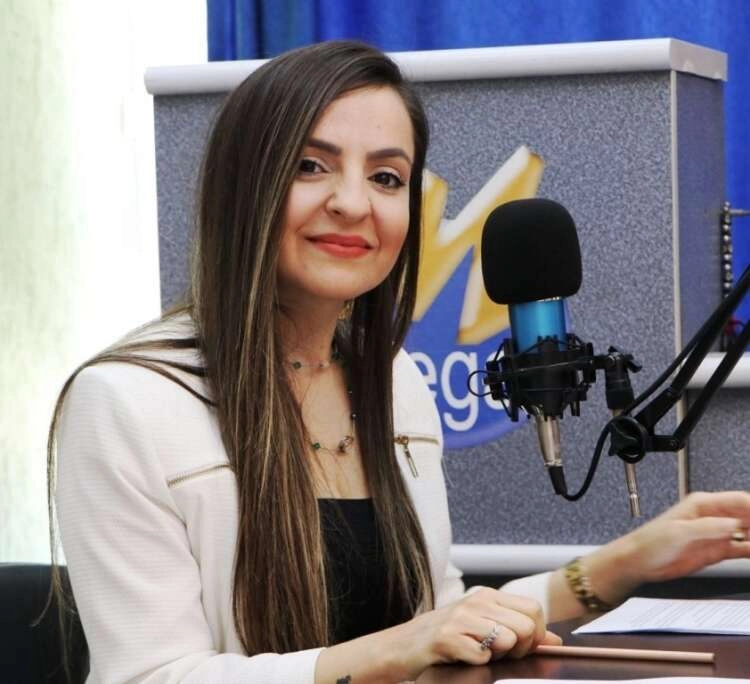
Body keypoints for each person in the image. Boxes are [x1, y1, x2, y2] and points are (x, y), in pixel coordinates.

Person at [48, 40, 750, 684]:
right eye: (310, 166)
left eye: (387, 178)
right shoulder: (125, 403)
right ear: (242, 187)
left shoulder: (392, 379)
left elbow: (440, 622)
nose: (354, 203)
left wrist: (627, 562)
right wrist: (398, 647)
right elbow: (152, 677)